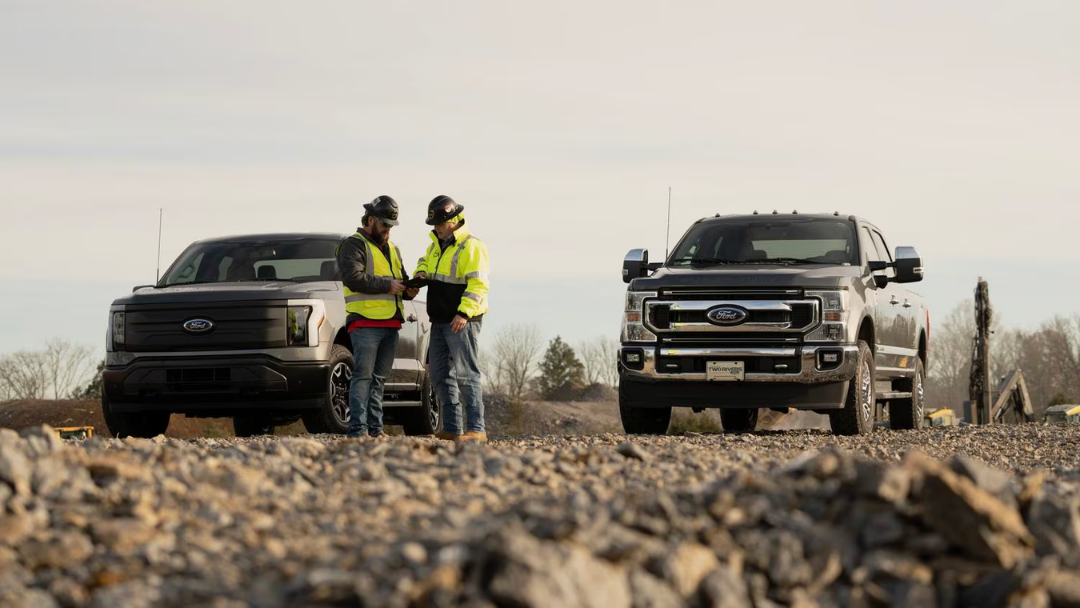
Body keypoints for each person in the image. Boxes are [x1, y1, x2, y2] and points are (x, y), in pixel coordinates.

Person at [336, 195, 419, 438]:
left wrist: (408, 290)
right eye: (384, 224)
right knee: (363, 377)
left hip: (391, 323)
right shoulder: (353, 245)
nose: (388, 229)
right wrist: (387, 286)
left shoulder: (394, 249)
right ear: (370, 220)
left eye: (391, 225)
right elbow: (353, 278)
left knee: (379, 379)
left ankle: (375, 430)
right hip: (365, 323)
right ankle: (358, 430)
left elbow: (399, 281)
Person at [413, 195, 490, 442]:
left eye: (439, 223)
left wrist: (464, 313)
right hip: (439, 319)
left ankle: (477, 429)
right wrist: (420, 273)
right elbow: (425, 262)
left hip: (461, 320)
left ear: (453, 220)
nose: (436, 227)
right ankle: (452, 427)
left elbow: (478, 285)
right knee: (439, 375)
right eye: (433, 224)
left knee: (467, 374)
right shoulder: (436, 245)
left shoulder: (471, 246)